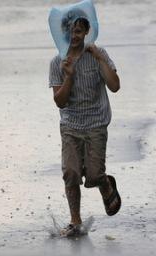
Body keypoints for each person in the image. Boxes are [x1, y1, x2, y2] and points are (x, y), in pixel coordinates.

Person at [48, 16, 122, 236]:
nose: (74, 36)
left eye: (78, 31)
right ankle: (75, 220)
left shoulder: (99, 55)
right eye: (70, 32)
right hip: (70, 125)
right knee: (70, 173)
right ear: (63, 33)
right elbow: (59, 101)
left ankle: (105, 184)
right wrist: (69, 76)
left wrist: (100, 58)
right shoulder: (57, 62)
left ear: (87, 32)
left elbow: (115, 86)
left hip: (96, 124)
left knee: (93, 175)